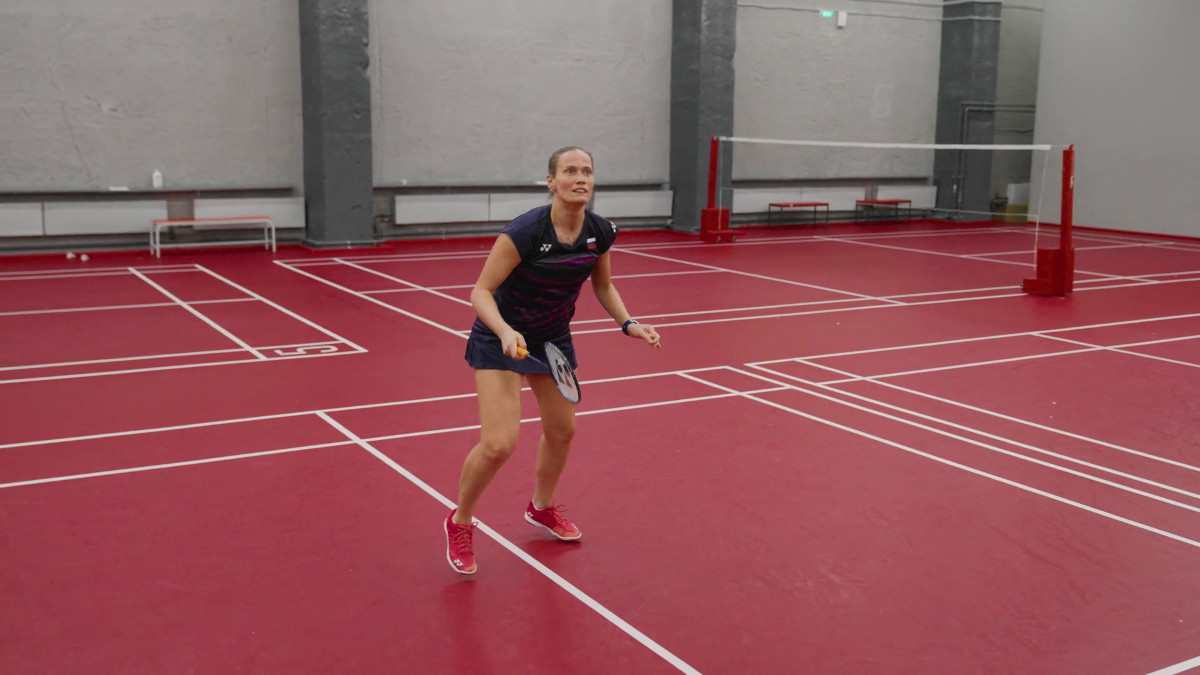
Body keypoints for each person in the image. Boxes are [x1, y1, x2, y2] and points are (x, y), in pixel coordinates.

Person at [444, 146, 661, 574]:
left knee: (563, 431)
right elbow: (480, 292)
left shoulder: (600, 232)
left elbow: (604, 286)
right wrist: (506, 331)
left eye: (587, 172)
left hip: (551, 340)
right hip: (501, 338)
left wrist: (628, 323)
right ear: (552, 182)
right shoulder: (525, 232)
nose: (580, 178)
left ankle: (541, 507)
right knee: (499, 444)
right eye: (570, 171)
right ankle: (460, 521)